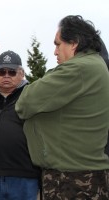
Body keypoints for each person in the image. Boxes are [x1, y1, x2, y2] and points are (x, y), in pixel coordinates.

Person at [15, 15, 109, 199]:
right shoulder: (94, 65)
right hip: (83, 175)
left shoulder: (79, 69)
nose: (55, 52)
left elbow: (25, 103)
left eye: (58, 44)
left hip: (73, 180)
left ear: (73, 43)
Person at [0, 50, 40, 200]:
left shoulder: (33, 96)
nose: (6, 75)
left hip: (25, 176)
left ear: (21, 73)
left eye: (12, 72)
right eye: (2, 71)